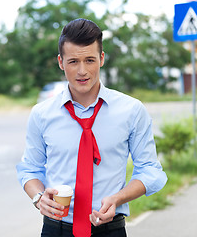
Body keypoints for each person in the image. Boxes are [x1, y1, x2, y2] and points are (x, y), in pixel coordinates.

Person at [16, 18, 167, 237]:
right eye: (73, 62)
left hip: (110, 229)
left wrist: (118, 198)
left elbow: (151, 170)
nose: (82, 71)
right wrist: (39, 198)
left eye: (89, 60)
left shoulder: (131, 110)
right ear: (61, 62)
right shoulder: (42, 114)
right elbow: (30, 168)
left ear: (101, 59)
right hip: (56, 229)